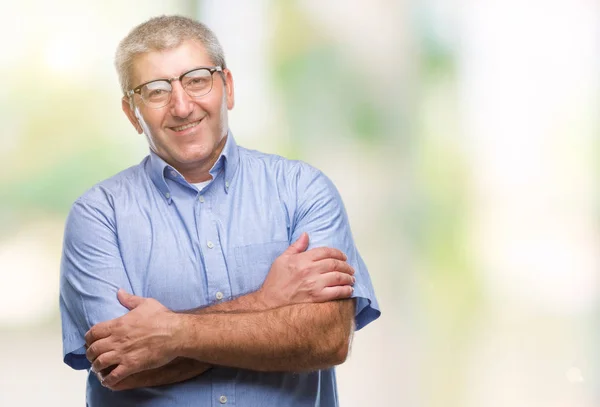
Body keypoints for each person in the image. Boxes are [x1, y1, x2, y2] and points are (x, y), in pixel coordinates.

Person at [59, 15, 380, 407]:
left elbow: (325, 339)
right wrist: (266, 305)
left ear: (226, 87)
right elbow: (121, 364)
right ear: (132, 113)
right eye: (156, 90)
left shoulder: (303, 190)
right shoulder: (97, 216)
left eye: (196, 80)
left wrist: (172, 333)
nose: (181, 105)